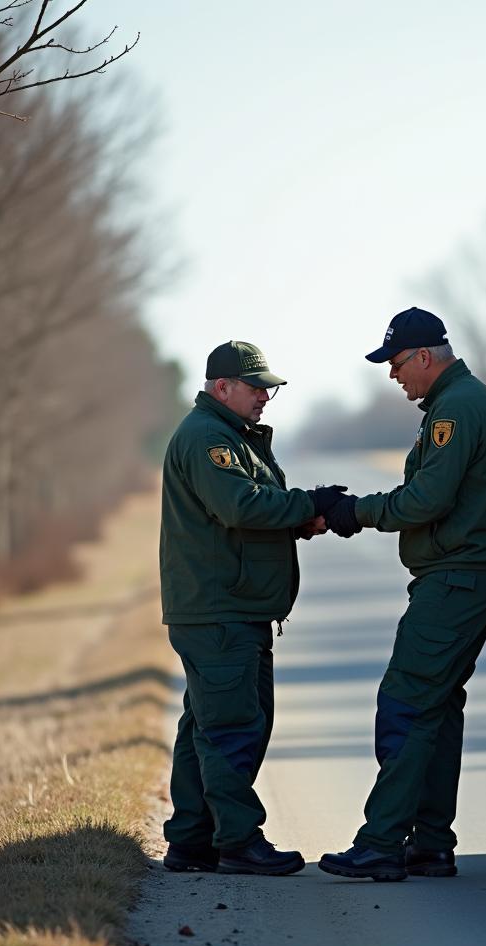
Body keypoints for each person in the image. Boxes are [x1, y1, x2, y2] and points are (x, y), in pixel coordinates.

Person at [318, 308, 486, 881]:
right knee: (436, 709)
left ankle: (381, 843)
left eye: (398, 364)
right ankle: (429, 842)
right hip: (463, 575)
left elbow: (426, 498)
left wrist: (356, 512)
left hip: (456, 579)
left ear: (426, 356)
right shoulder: (458, 404)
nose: (393, 375)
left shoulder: (457, 409)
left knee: (405, 704)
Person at [160, 340, 350, 875]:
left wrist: (297, 520)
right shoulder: (207, 439)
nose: (266, 396)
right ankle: (239, 843)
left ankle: (192, 841)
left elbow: (247, 515)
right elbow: (238, 505)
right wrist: (310, 503)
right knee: (232, 729)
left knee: (209, 725)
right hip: (220, 611)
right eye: (256, 386)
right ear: (222, 387)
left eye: (268, 387)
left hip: (229, 608)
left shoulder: (229, 437)